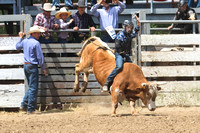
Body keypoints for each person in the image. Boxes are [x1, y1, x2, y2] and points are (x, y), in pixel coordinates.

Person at [102, 18, 140, 92]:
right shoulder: (120, 34)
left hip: (125, 54)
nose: (129, 29)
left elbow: (134, 34)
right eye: (128, 27)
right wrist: (122, 54)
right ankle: (107, 82)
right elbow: (117, 46)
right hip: (119, 53)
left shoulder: (129, 34)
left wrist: (138, 26)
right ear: (124, 27)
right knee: (119, 66)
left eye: (130, 28)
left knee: (132, 67)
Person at [16, 26, 47, 114]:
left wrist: (20, 38)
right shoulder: (36, 43)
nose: (39, 35)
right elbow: (40, 57)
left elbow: (17, 47)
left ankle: (24, 104)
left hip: (26, 65)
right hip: (32, 66)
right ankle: (30, 109)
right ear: (33, 33)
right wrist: (43, 67)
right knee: (33, 88)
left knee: (31, 87)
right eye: (38, 33)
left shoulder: (25, 41)